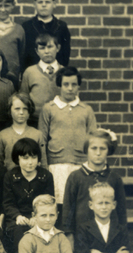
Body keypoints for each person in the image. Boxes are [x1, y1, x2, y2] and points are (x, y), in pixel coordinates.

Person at [39, 67, 97, 221]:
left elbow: (93, 140)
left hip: (81, 165)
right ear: (59, 85)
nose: (70, 88)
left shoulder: (86, 110)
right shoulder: (49, 109)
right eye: (66, 84)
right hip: (56, 166)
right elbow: (42, 141)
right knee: (58, 206)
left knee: (80, 205)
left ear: (78, 86)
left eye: (74, 84)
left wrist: (91, 167)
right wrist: (44, 167)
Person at [63, 129, 127, 246]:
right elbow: (68, 211)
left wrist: (123, 242)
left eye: (102, 149)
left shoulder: (114, 178)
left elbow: (121, 212)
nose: (98, 153)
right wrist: (69, 237)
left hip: (108, 240)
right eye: (93, 148)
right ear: (86, 150)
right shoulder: (75, 177)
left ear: (108, 151)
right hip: (81, 239)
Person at [2, 138, 54, 253]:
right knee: (20, 233)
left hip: (40, 217)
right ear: (17, 159)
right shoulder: (10, 176)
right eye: (25, 158)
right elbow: (7, 203)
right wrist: (17, 216)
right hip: (17, 219)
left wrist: (36, 218)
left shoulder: (46, 176)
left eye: (33, 157)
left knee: (41, 231)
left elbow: (49, 202)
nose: (30, 162)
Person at [22, 0, 71, 73]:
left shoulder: (61, 27)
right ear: (34, 4)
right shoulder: (27, 27)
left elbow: (65, 55)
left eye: (47, 2)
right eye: (40, 2)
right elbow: (24, 55)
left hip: (56, 73)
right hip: (33, 74)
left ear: (54, 4)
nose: (44, 5)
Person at [19, 33, 63, 128]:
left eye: (50, 47)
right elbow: (24, 97)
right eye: (42, 48)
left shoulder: (64, 72)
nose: (46, 51)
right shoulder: (30, 72)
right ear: (37, 51)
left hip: (59, 121)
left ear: (58, 48)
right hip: (35, 121)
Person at [0, 92, 46, 170]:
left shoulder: (37, 134)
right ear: (10, 110)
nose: (21, 112)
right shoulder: (2, 135)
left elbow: (43, 162)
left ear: (30, 111)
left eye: (25, 109)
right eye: (17, 109)